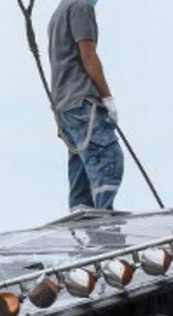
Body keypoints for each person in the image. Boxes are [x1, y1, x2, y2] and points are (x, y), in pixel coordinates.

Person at [47, 0, 124, 210]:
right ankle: (103, 218)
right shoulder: (81, 6)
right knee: (108, 157)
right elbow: (88, 55)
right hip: (81, 101)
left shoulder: (59, 12)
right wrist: (107, 97)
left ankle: (82, 216)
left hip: (65, 107)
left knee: (81, 165)